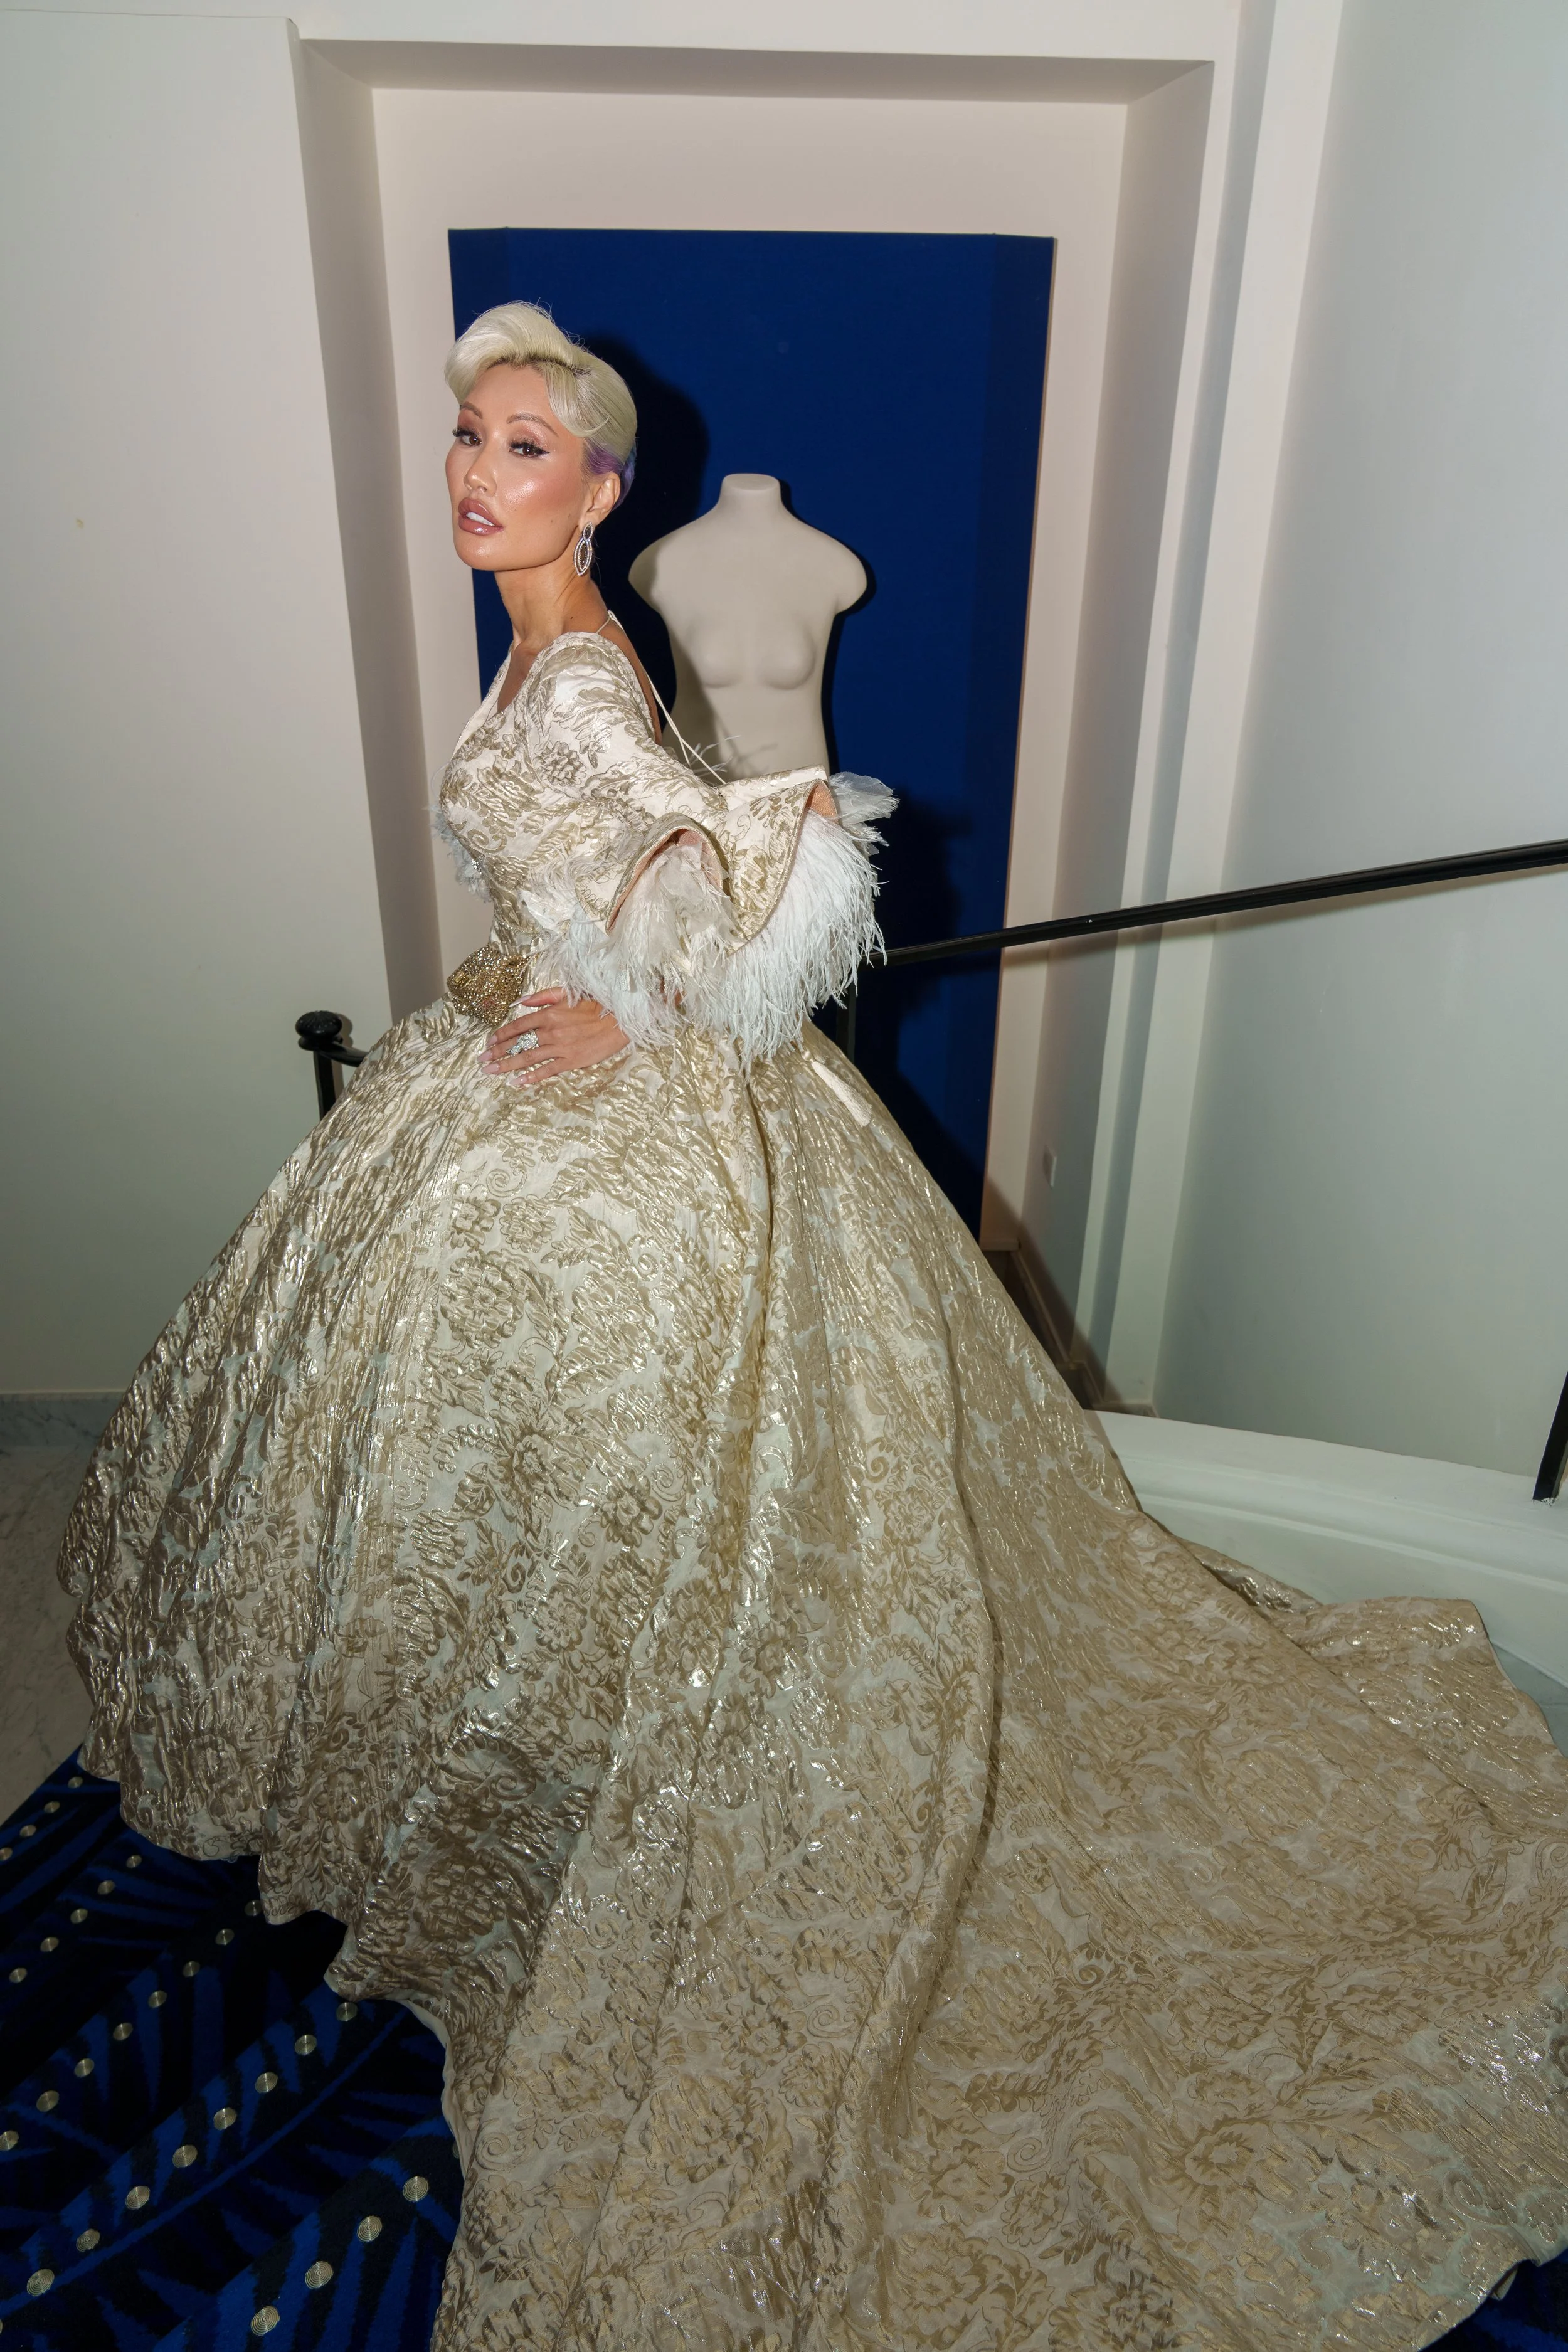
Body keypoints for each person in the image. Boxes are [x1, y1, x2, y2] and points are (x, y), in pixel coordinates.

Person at [60, 303, 1568, 2352]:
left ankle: (601, 1781)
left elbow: (759, 833)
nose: (477, 476)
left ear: (602, 488)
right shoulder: (549, 639)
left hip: (615, 1131)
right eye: (471, 442)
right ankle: (521, 1754)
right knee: (516, 1474)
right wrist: (574, 948)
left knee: (626, 1473)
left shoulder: (583, 660)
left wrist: (635, 994)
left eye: (524, 450)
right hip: (521, 1062)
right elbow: (644, 841)